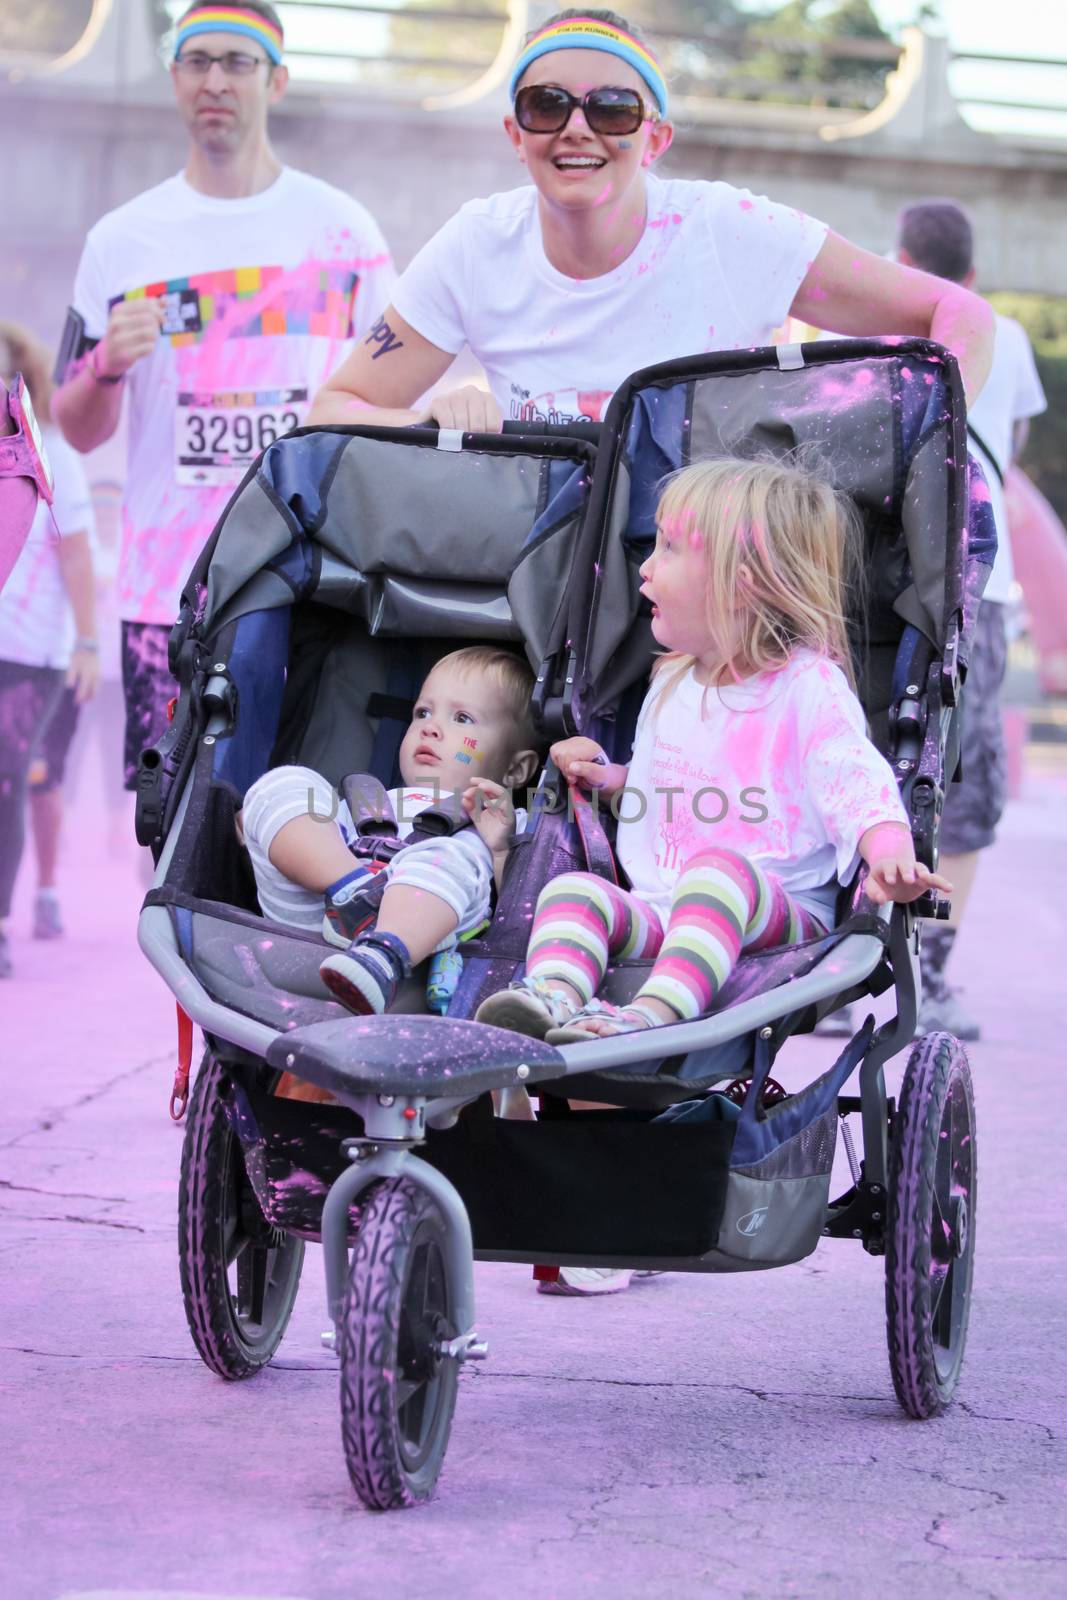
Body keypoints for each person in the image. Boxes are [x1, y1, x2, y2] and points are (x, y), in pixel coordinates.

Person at [308, 8, 993, 436]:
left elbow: (956, 313)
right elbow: (335, 406)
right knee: (461, 682)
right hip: (536, 600)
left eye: (611, 109)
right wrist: (423, 417)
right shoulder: (476, 245)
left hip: (712, 605)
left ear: (655, 139)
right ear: (516, 134)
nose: (578, 130)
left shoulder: (731, 230)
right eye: (548, 106)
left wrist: (892, 445)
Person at [476, 458, 947, 1070]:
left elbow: (855, 779)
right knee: (576, 890)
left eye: (668, 548)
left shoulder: (808, 687)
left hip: (773, 915)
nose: (644, 568)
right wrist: (612, 780)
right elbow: (667, 786)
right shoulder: (673, 679)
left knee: (716, 873)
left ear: (740, 582)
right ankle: (554, 999)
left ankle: (652, 1016)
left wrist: (888, 854)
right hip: (664, 909)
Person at [52, 2, 394, 794]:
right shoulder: (122, 238)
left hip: (308, 573)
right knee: (168, 811)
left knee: (296, 803)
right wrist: (104, 365)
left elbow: (393, 392)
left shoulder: (342, 230)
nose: (216, 80)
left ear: (277, 80)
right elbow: (72, 425)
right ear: (174, 78)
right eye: (197, 61)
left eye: (237, 63)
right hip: (166, 588)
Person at [892, 200, 1047, 1039]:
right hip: (978, 589)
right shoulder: (1005, 336)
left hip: (891, 576)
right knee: (966, 777)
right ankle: (931, 979)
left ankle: (835, 962)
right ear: (974, 275)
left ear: (901, 261)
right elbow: (1007, 455)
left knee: (877, 752)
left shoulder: (888, 329)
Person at [238, 647, 541, 1019]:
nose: (430, 726)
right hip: (319, 913)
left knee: (448, 857)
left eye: (462, 718)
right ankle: (354, 892)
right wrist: (273, 819)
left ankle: (381, 954)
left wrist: (499, 850)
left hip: (420, 944)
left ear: (515, 769)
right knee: (286, 783)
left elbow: (519, 912)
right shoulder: (374, 800)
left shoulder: (501, 819)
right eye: (422, 712)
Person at [0, 323, 100, 979]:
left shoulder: (54, 455)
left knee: (10, 782)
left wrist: (87, 643)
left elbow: (77, 555)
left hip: (29, 656)